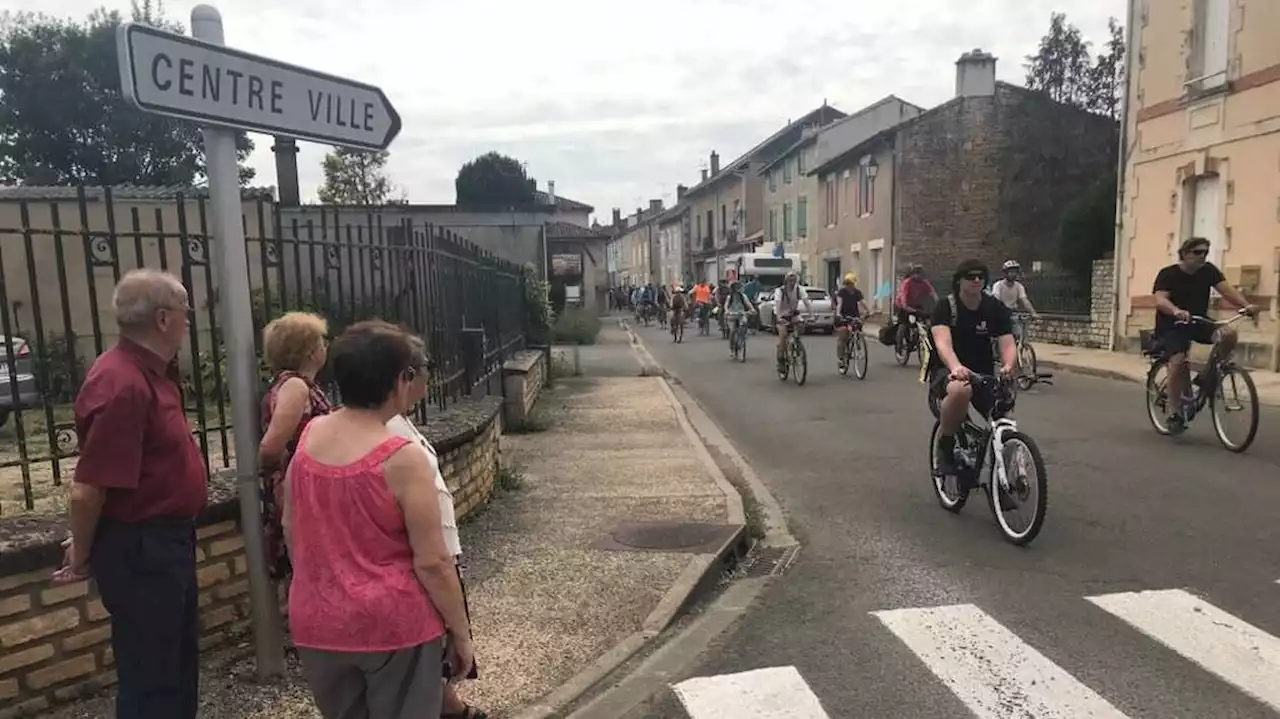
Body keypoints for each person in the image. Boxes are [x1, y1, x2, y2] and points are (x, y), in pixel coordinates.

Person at [285, 320, 472, 719]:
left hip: (318, 621)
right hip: (394, 628)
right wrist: (460, 633)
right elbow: (434, 562)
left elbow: (291, 525)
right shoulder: (403, 458)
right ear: (400, 380)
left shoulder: (310, 435)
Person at [54, 269, 206, 718]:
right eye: (185, 312)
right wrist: (81, 548)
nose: (188, 321)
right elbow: (88, 489)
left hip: (166, 541)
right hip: (143, 547)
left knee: (177, 663)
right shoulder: (121, 383)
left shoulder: (153, 371)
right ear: (163, 319)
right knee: (152, 677)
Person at [386, 336, 488, 719]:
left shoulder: (402, 420)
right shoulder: (391, 431)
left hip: (442, 550)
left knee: (440, 656)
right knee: (437, 650)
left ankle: (451, 707)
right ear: (407, 375)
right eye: (427, 367)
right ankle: (453, 710)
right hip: (429, 556)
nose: (431, 374)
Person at [1152, 237, 1257, 433]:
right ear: (1184, 254)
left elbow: (1227, 291)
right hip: (1172, 325)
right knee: (1178, 361)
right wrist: (1175, 311)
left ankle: (1205, 376)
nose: (1202, 256)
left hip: (1198, 321)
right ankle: (1174, 412)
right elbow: (1160, 300)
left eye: (1205, 253)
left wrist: (1246, 305)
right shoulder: (1168, 274)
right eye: (1197, 252)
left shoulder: (1208, 271)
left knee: (1228, 335)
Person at [258, 311, 333, 581]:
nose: (325, 346)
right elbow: (271, 446)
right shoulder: (295, 387)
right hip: (299, 491)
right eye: (321, 341)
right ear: (310, 350)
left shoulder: (294, 384)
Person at [928, 260, 1016, 483]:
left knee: (1003, 421)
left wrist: (1008, 365)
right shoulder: (946, 307)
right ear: (959, 280)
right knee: (960, 391)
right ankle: (946, 446)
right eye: (970, 277)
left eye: (980, 277)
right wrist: (956, 367)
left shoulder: (993, 307)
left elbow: (1006, 342)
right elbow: (943, 343)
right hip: (947, 371)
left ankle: (1006, 480)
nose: (976, 280)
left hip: (984, 373)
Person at [991, 260, 1039, 343]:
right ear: (1005, 273)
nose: (1013, 274)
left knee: (1018, 333)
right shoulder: (998, 285)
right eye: (1010, 272)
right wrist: (1002, 311)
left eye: (1015, 272)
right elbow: (996, 300)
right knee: (999, 336)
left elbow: (1024, 300)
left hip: (1013, 313)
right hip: (999, 313)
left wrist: (1033, 313)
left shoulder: (1018, 286)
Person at [773, 271, 813, 370]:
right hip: (782, 315)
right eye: (790, 280)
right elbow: (777, 303)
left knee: (801, 326)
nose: (792, 282)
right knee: (783, 336)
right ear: (786, 280)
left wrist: (811, 315)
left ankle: (797, 345)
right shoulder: (780, 291)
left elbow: (806, 302)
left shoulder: (799, 289)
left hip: (794, 314)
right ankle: (781, 359)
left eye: (794, 280)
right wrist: (778, 317)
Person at [895, 264, 938, 347]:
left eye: (920, 274)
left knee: (924, 320)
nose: (919, 276)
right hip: (903, 305)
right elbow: (903, 295)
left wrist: (938, 304)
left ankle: (919, 337)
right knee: (904, 324)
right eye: (917, 274)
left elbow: (933, 293)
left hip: (916, 305)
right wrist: (905, 306)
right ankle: (899, 345)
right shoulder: (907, 283)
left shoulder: (924, 282)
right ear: (912, 274)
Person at [834, 273, 872, 366]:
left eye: (851, 283)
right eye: (848, 284)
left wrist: (868, 311)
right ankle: (841, 358)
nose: (850, 286)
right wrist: (838, 314)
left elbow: (862, 302)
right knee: (843, 335)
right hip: (843, 316)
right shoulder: (842, 292)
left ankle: (857, 346)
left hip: (854, 316)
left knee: (858, 329)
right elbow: (840, 303)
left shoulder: (857, 292)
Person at [720, 281, 758, 355]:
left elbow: (748, 304)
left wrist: (752, 309)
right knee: (732, 331)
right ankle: (731, 348)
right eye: (736, 287)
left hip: (741, 314)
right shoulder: (729, 297)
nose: (738, 289)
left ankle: (742, 339)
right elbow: (726, 305)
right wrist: (727, 311)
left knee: (744, 325)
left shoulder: (743, 296)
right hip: (732, 314)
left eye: (739, 287)